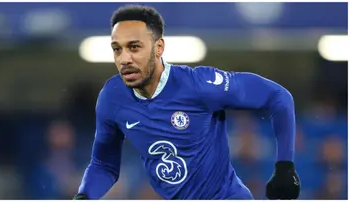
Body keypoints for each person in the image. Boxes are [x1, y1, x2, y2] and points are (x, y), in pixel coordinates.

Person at [73, 4, 300, 200]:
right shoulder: (112, 97)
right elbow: (105, 166)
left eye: (134, 47)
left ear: (159, 47)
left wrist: (284, 166)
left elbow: (278, 97)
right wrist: (83, 196)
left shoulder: (199, 85)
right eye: (117, 49)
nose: (124, 59)